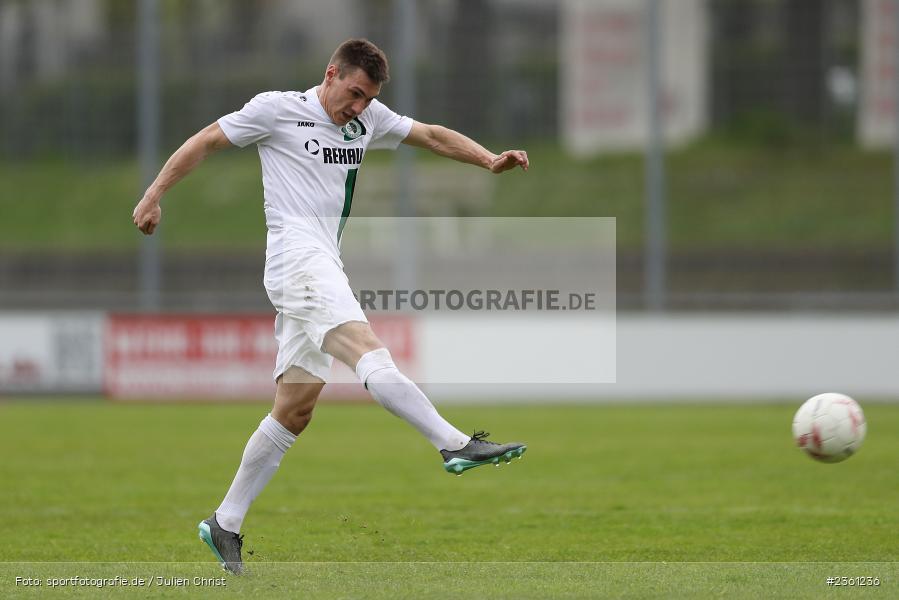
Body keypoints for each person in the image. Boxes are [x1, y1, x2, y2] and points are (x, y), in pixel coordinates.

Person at [132, 38, 528, 575]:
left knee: (295, 410)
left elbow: (431, 135)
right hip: (297, 261)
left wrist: (488, 159)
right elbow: (206, 141)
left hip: (322, 263)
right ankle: (453, 443)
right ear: (331, 74)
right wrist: (154, 193)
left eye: (369, 99)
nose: (359, 107)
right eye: (354, 93)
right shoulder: (276, 110)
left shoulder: (368, 120)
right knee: (366, 349)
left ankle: (224, 521)